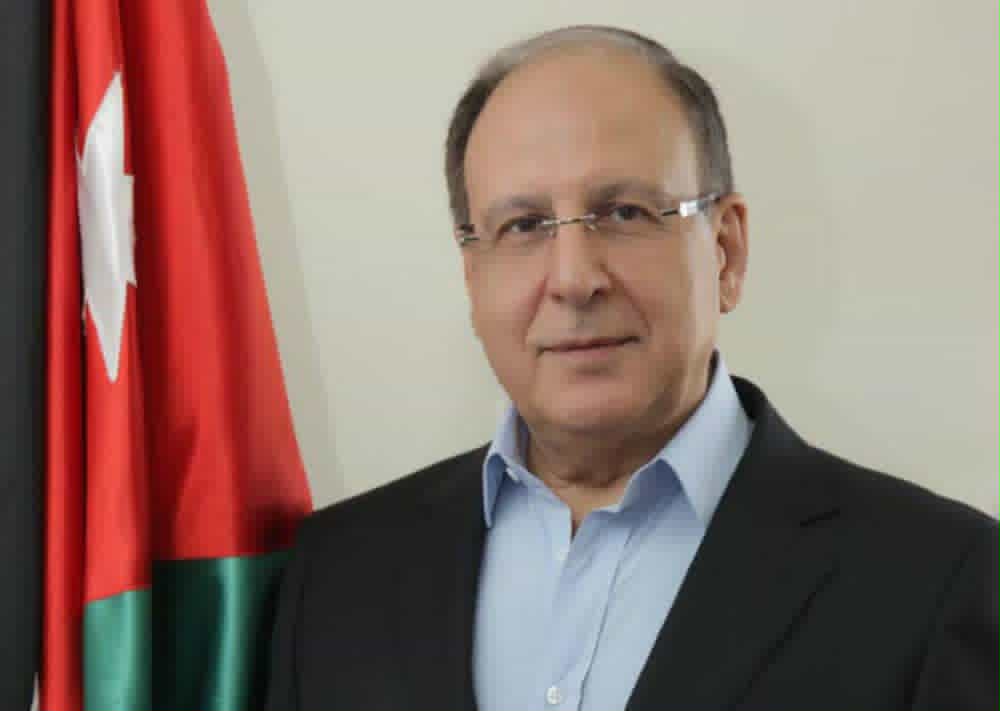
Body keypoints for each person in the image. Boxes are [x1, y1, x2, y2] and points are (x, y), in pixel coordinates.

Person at [265, 25, 998, 711]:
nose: (574, 279)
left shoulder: (942, 580)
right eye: (523, 225)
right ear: (472, 274)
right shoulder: (334, 573)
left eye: (624, 213)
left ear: (726, 251)